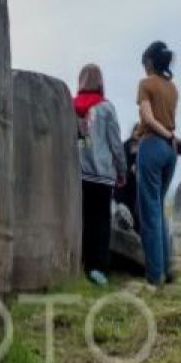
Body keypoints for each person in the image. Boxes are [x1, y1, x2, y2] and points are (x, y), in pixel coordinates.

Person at [134, 41, 181, 289]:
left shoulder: (146, 84)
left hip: (153, 145)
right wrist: (173, 137)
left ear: (150, 62)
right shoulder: (172, 87)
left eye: (144, 64)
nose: (144, 69)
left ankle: (154, 278)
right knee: (159, 209)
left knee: (149, 214)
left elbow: (147, 118)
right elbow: (168, 123)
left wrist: (167, 135)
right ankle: (167, 268)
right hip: (170, 151)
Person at [74, 64, 128, 286]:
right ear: (100, 82)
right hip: (103, 175)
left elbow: (77, 140)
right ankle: (99, 269)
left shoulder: (71, 106)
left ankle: (83, 264)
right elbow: (115, 143)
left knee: (84, 220)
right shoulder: (106, 108)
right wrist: (122, 170)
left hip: (79, 176)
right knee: (101, 223)